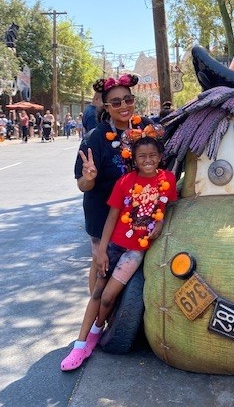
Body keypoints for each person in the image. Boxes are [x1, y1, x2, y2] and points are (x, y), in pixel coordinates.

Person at [61, 125, 177, 371]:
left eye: (152, 156)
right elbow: (112, 217)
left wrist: (161, 222)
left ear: (160, 157)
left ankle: (96, 330)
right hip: (114, 244)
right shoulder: (125, 181)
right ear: (133, 159)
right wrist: (101, 250)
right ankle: (80, 345)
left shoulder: (168, 179)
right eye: (142, 156)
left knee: (108, 297)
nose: (148, 160)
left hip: (136, 251)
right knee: (97, 293)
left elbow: (169, 206)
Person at [75, 74, 153, 293]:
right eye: (116, 103)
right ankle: (95, 312)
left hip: (139, 213)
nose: (124, 106)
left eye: (128, 100)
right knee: (102, 269)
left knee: (135, 268)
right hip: (102, 213)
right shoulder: (95, 138)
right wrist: (88, 178)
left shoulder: (146, 128)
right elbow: (82, 185)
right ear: (107, 107)